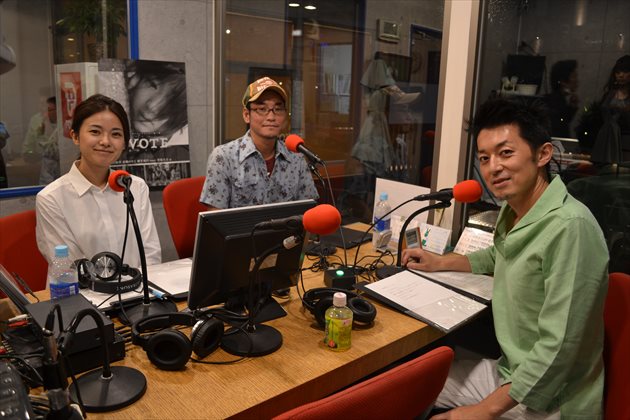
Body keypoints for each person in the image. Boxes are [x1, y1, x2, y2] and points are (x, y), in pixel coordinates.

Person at [402, 97, 608, 419]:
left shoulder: (571, 228)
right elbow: (500, 255)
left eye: (506, 153)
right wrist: (440, 262)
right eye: (484, 158)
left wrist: (482, 411)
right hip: (511, 372)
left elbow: (559, 349)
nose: (493, 167)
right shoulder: (515, 211)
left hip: (554, 397)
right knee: (410, 387)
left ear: (543, 154)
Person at [36, 94, 161, 272]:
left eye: (116, 134)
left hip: (137, 287)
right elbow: (68, 268)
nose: (105, 142)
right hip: (78, 289)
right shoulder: (51, 198)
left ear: (124, 143)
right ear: (75, 136)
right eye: (95, 132)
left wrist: (140, 285)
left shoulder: (135, 187)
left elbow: (151, 254)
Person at [199, 76, 319, 209]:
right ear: (246, 115)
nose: (271, 117)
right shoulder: (224, 157)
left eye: (278, 109)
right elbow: (215, 216)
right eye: (262, 109)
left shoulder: (296, 157)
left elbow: (309, 211)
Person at [591, 54, 630, 163]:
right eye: (618, 72)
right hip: (606, 142)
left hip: (625, 144)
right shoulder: (610, 94)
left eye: (625, 71)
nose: (621, 75)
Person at [22, 96, 60, 184]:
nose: (44, 110)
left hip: (59, 172)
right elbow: (28, 146)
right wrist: (29, 155)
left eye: (49, 109)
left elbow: (51, 150)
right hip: (42, 169)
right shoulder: (36, 120)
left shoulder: (62, 124)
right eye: (41, 104)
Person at [544, 60, 578, 138]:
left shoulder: (559, 100)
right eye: (574, 76)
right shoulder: (555, 102)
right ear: (563, 82)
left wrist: (571, 107)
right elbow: (559, 129)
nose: (577, 80)